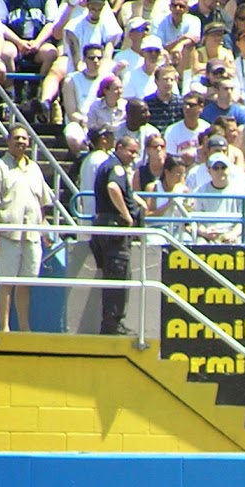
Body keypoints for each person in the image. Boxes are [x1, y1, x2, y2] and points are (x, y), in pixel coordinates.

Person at [0, 125, 54, 334]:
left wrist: (44, 230)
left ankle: (24, 328)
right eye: (16, 138)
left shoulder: (35, 169)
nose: (21, 142)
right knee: (6, 283)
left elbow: (42, 203)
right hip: (7, 234)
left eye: (24, 138)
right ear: (8, 141)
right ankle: (4, 327)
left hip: (31, 235)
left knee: (26, 283)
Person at [91, 133, 144, 336]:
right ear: (119, 147)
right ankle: (113, 326)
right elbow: (113, 187)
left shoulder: (107, 165)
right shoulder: (117, 167)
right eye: (131, 151)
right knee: (119, 277)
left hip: (103, 228)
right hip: (114, 231)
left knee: (113, 277)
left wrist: (134, 198)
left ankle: (111, 325)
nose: (133, 156)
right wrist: (127, 216)